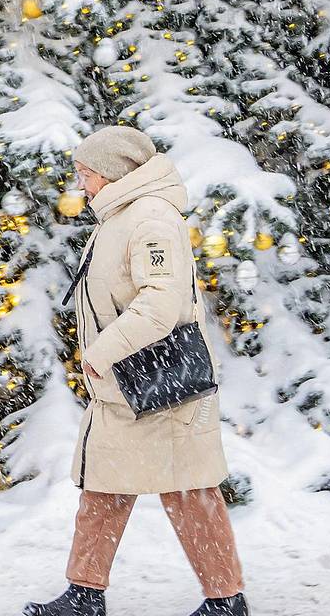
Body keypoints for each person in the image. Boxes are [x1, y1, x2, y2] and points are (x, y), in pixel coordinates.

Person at [24, 126, 247, 616]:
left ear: (111, 172)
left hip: (160, 382)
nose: (80, 184)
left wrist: (100, 353)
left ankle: (226, 600)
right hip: (126, 386)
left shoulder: (149, 218)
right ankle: (84, 594)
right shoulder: (120, 215)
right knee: (104, 486)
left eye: (85, 174)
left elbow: (159, 305)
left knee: (189, 491)